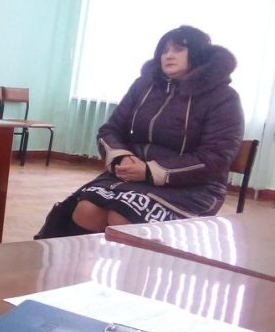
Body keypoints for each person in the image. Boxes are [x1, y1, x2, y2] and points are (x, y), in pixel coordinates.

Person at [37, 25, 243, 238]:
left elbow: (215, 157)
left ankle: (139, 261)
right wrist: (122, 157)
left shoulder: (223, 97)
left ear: (198, 54)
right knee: (86, 211)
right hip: (135, 177)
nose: (169, 55)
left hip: (192, 185)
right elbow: (110, 130)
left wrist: (150, 171)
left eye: (178, 49)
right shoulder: (144, 86)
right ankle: (83, 261)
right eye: (164, 50)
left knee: (123, 218)